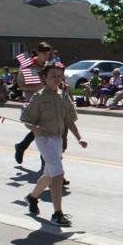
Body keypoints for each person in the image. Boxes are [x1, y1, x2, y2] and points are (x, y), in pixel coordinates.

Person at [21, 62, 87, 227]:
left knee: (49, 175)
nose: (57, 79)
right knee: (58, 174)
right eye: (53, 76)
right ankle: (57, 214)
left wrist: (79, 138)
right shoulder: (39, 97)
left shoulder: (64, 96)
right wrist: (33, 128)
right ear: (44, 77)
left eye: (59, 76)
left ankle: (32, 197)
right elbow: (25, 118)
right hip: (44, 139)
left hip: (57, 139)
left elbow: (69, 120)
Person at [14, 42, 52, 164]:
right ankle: (44, 161)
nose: (47, 57)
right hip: (34, 102)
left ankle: (22, 146)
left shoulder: (48, 66)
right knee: (42, 129)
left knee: (44, 129)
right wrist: (39, 85)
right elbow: (21, 85)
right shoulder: (29, 66)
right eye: (45, 54)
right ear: (39, 53)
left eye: (49, 54)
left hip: (48, 101)